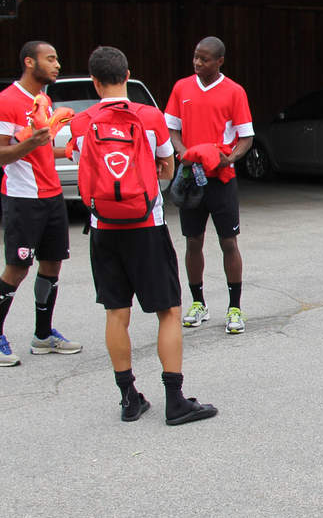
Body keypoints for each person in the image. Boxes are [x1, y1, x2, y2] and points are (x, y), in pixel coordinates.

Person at [71, 45, 217, 426]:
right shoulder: (150, 117)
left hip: (103, 228)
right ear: (127, 74)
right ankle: (175, 400)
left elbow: (79, 165)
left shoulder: (82, 122)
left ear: (94, 81)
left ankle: (129, 399)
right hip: (146, 227)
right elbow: (168, 168)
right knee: (168, 311)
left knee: (116, 313)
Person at [0, 41, 82, 367]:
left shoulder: (44, 100)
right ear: (29, 62)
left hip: (52, 195)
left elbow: (41, 148)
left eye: (57, 58)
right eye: (50, 59)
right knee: (18, 267)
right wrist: (32, 142)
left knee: (52, 264)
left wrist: (68, 151)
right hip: (23, 198)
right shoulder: (4, 102)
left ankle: (43, 335)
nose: (57, 65)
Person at [164, 36, 254, 334]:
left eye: (204, 59)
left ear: (219, 61)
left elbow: (246, 138)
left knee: (228, 242)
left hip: (221, 180)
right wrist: (183, 154)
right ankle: (198, 302)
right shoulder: (181, 88)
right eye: (195, 57)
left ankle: (235, 308)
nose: (197, 63)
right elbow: (172, 129)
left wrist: (228, 159)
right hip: (191, 178)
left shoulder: (235, 92)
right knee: (193, 241)